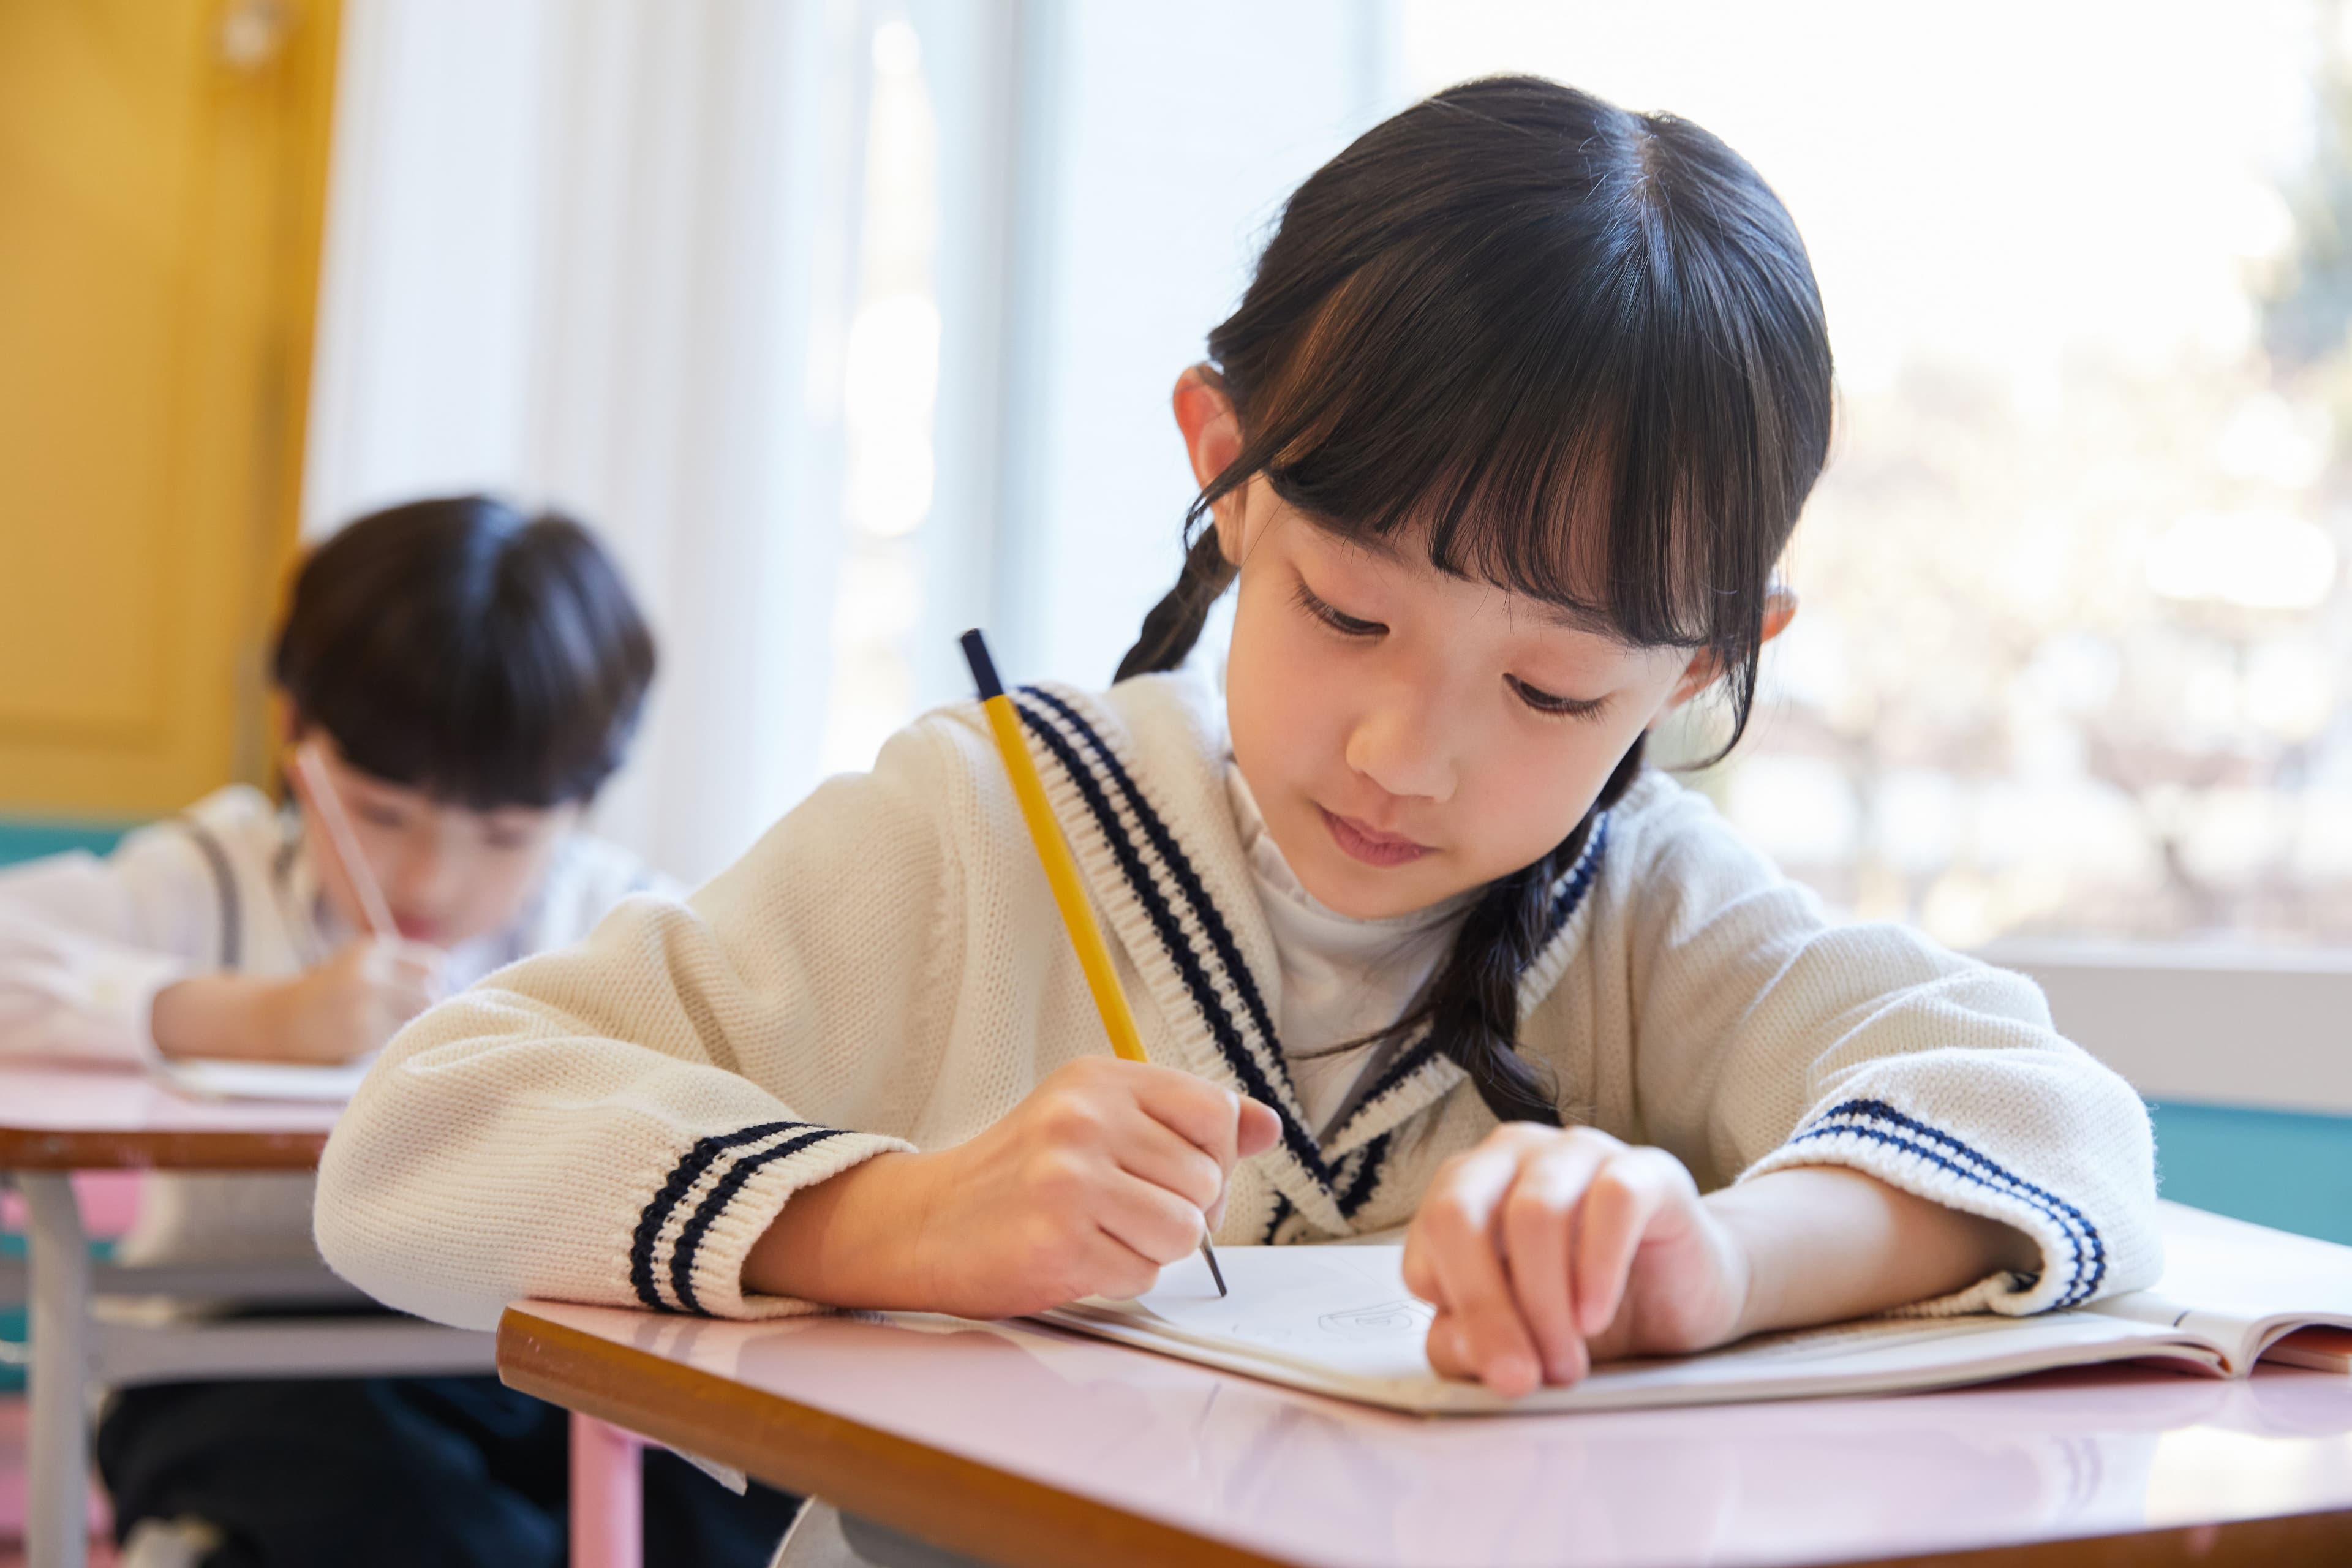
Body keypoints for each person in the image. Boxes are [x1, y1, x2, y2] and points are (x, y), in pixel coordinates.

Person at [315, 81, 2160, 1406]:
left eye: (1551, 695)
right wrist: (895, 1216)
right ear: (1223, 471)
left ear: (1701, 670)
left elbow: (2055, 1125)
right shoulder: (987, 826)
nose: (1405, 753)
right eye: (1349, 614)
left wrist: (1710, 1266)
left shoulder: (1651, 916)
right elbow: (416, 1144)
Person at [0, 496, 796, 1567]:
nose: (430, 878)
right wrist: (243, 1016)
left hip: (524, 1364)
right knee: (396, 1503)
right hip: (235, 1367)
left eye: (505, 835)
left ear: (585, 802)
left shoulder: (616, 924)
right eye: (378, 813)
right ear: (295, 736)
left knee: (747, 1493)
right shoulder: (218, 879)